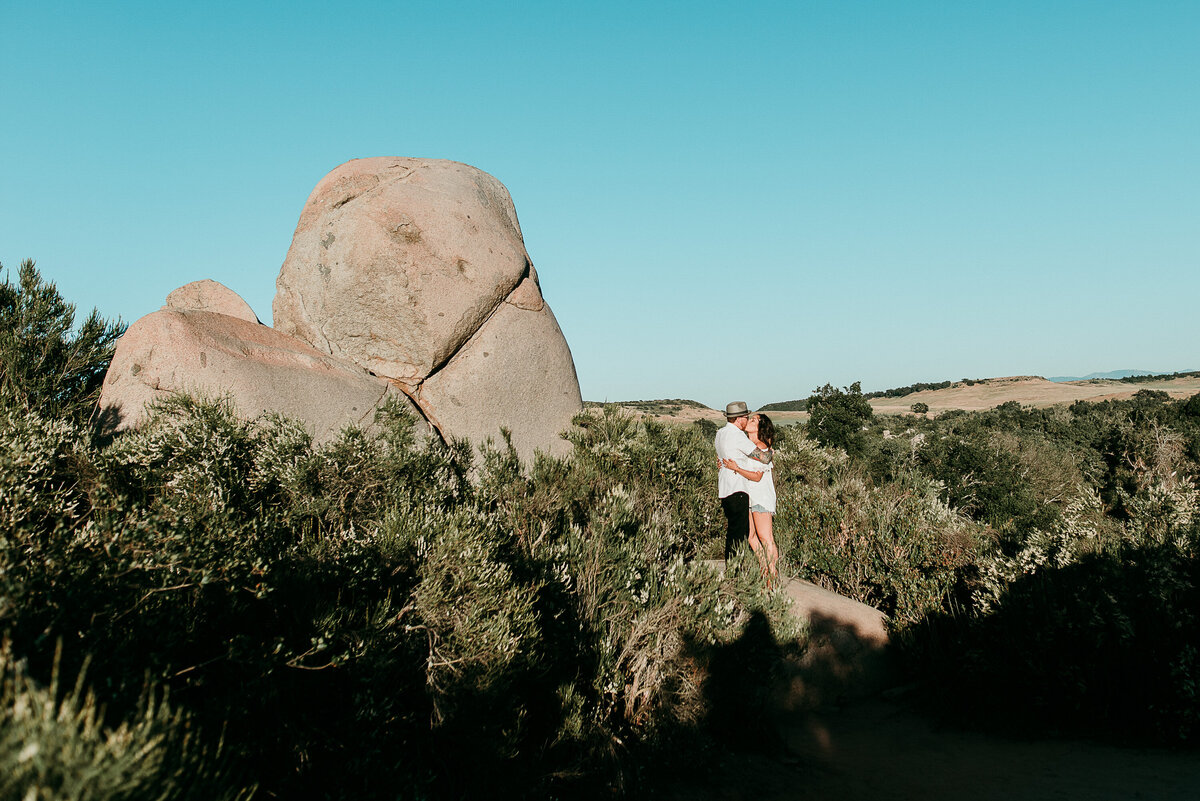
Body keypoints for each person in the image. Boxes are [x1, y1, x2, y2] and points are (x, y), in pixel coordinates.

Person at [721, 413, 779, 588]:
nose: (749, 421)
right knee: (751, 536)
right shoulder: (748, 446)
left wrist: (736, 468)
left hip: (761, 494)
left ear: (760, 427)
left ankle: (773, 576)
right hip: (748, 495)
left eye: (754, 420)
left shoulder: (762, 448)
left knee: (765, 537)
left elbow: (757, 477)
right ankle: (764, 571)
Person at [714, 401, 756, 562]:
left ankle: (731, 567)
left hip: (724, 487)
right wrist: (769, 452)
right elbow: (759, 455)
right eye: (746, 417)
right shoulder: (737, 435)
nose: (747, 420)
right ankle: (735, 570)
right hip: (738, 487)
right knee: (739, 533)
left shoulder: (720, 433)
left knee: (733, 530)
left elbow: (720, 459)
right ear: (739, 419)